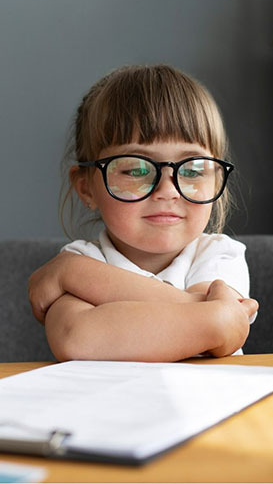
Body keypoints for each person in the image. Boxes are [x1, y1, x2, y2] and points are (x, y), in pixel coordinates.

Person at [28, 64, 258, 362]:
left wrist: (70, 274)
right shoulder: (84, 258)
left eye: (193, 169)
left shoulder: (219, 256)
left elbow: (215, 331)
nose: (168, 189)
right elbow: (77, 339)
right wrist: (212, 317)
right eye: (136, 169)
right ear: (86, 188)